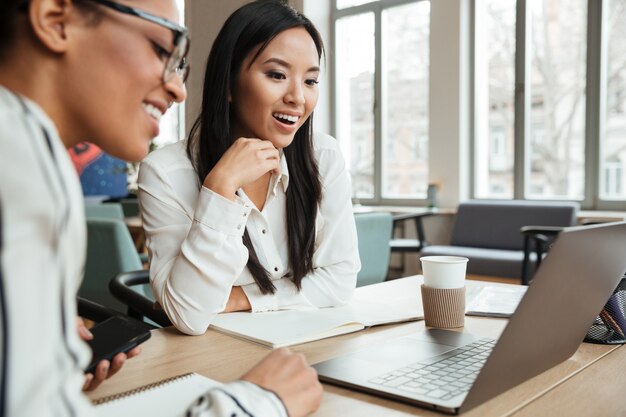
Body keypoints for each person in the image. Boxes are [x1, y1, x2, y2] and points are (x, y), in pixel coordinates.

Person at [0, 0, 321, 416]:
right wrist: (255, 403)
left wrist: (41, 367)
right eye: (161, 50)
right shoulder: (22, 161)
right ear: (54, 19)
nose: (178, 88)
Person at [138, 1, 361, 336]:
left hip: (307, 344)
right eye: (277, 75)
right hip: (213, 358)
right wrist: (220, 188)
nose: (298, 97)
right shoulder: (165, 173)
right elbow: (189, 315)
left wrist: (241, 298)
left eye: (311, 80)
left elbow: (340, 280)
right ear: (228, 84)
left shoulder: (323, 156)